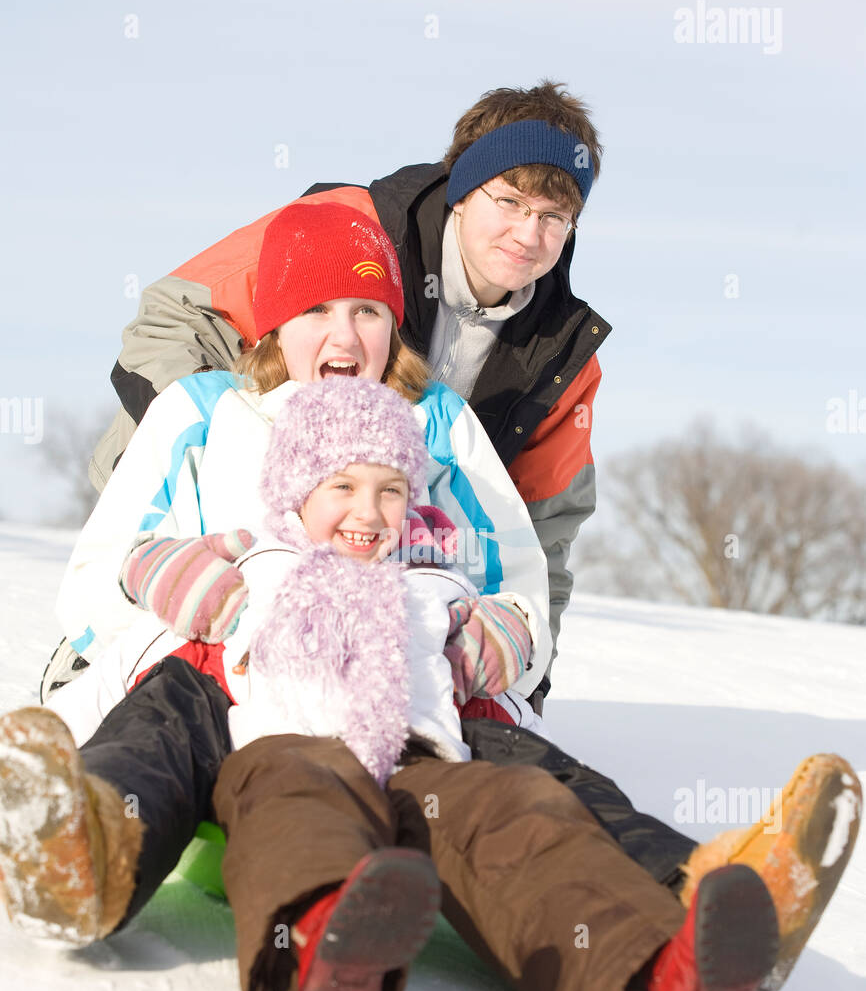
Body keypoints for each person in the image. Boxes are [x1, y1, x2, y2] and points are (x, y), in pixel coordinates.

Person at [7, 378, 857, 991]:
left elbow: (511, 630)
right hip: (282, 742)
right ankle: (326, 945)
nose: (366, 511)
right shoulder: (256, 561)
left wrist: (495, 639)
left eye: (388, 490)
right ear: (293, 494)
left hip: (425, 761)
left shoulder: (428, 582)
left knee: (515, 810)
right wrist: (186, 577)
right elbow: (144, 563)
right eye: (341, 487)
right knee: (300, 802)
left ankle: (665, 984)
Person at [78, 79, 609, 696]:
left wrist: (519, 674)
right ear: (464, 190)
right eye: (511, 202)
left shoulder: (564, 354)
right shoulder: (344, 231)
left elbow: (545, 529)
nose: (528, 234)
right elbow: (171, 319)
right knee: (173, 672)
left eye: (553, 217)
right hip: (203, 516)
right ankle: (103, 673)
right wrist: (234, 448)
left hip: (382, 552)